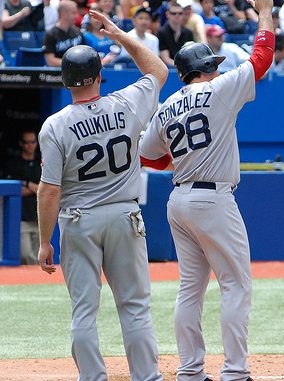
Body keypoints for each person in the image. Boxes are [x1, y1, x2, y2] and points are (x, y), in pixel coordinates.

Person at [138, 0, 275, 378]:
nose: (218, 71)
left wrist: (182, 159)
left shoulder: (166, 106)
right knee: (235, 285)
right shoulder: (219, 91)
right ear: (204, 69)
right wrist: (264, 12)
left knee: (190, 288)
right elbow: (262, 58)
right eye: (212, 67)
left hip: (179, 199)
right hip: (211, 198)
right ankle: (234, 371)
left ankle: (190, 371)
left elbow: (148, 157)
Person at [37, 10, 168, 381]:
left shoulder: (55, 125)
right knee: (135, 307)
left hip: (79, 219)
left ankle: (92, 378)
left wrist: (46, 241)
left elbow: (49, 191)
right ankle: (147, 377)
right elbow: (158, 70)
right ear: (98, 76)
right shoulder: (126, 103)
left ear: (65, 81)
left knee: (83, 310)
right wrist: (120, 36)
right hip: (124, 216)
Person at [3, 130, 41, 265]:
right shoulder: (14, 164)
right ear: (21, 144)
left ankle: (38, 283)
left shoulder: (40, 163)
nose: (30, 145)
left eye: (33, 142)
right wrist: (32, 186)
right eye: (26, 142)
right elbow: (14, 191)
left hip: (39, 218)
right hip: (21, 218)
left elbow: (45, 190)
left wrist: (27, 185)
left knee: (39, 256)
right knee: (26, 255)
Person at [43, 0, 86, 66]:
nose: (76, 16)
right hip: (58, 74)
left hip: (77, 72)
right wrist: (73, 64)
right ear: (63, 14)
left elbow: (84, 53)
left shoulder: (77, 32)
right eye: (73, 13)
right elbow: (50, 61)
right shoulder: (51, 34)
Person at [158, 2, 195, 66]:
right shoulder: (161, 33)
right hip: (169, 70)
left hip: (185, 68)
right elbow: (165, 59)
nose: (177, 16)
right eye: (173, 13)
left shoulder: (188, 33)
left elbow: (191, 56)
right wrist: (182, 66)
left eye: (180, 13)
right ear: (167, 14)